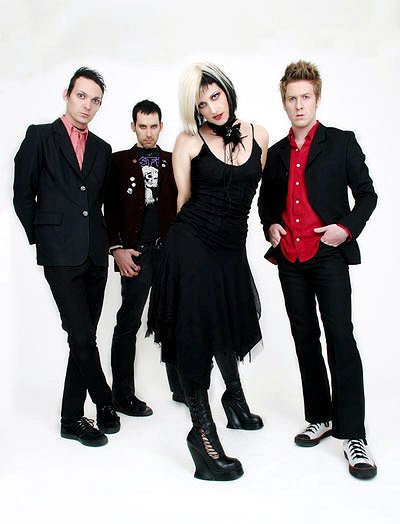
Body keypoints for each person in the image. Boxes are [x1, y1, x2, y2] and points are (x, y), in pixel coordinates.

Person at [258, 60, 378, 479]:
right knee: (304, 338)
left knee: (340, 338)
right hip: (290, 258)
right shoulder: (275, 153)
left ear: (317, 98)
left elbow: (367, 194)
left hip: (328, 255)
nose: (298, 105)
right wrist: (269, 225)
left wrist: (346, 228)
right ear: (284, 102)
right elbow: (265, 203)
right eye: (291, 98)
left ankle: (354, 435)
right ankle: (320, 416)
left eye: (305, 97)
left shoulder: (341, 142)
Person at [149, 62, 268, 481]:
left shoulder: (259, 134)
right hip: (193, 245)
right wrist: (172, 258)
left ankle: (234, 401)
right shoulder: (188, 141)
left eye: (215, 96)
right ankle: (202, 435)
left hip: (231, 250)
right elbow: (182, 200)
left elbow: (258, 194)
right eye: (202, 104)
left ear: (228, 91)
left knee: (228, 322)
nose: (212, 108)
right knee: (197, 334)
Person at [13, 67, 120, 447]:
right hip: (59, 255)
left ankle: (71, 418)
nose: (87, 105)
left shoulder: (103, 149)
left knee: (84, 337)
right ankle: (104, 400)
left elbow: (102, 203)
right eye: (81, 96)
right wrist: (43, 238)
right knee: (80, 334)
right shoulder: (40, 137)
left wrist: (111, 244)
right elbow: (22, 195)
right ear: (67, 94)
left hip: (95, 254)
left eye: (95, 100)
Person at [104, 99, 184, 417]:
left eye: (153, 126)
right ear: (133, 126)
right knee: (129, 321)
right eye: (142, 126)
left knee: (175, 318)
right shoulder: (118, 161)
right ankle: (122, 395)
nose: (148, 133)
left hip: (169, 252)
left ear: (161, 126)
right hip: (136, 253)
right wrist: (117, 249)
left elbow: (185, 204)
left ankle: (181, 388)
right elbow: (109, 209)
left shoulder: (173, 160)